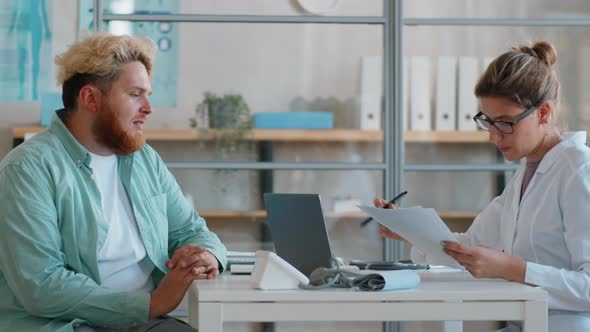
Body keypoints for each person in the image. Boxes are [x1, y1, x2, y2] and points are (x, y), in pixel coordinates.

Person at [0, 33, 227, 331]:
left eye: (147, 94)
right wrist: (153, 304)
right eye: (135, 94)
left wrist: (205, 254)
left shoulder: (144, 159)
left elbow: (191, 230)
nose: (148, 107)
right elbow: (41, 285)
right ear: (91, 98)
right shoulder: (27, 169)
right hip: (65, 324)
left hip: (141, 321)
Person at [377, 41, 590, 331]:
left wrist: (511, 269)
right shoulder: (526, 174)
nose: (493, 136)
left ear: (543, 113)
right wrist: (411, 230)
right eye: (488, 122)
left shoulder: (578, 170)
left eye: (505, 123)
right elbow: (471, 246)